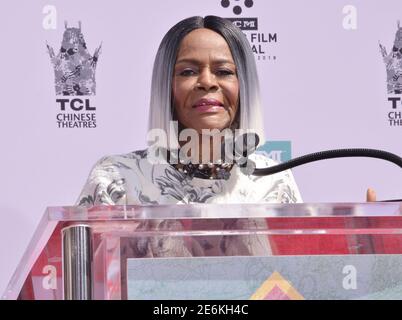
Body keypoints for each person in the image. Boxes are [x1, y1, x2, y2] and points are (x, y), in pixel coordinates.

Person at [77, 16, 302, 208]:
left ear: (244, 86)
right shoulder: (118, 177)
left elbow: (302, 258)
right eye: (188, 71)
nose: (206, 82)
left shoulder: (274, 181)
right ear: (166, 86)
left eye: (223, 71)